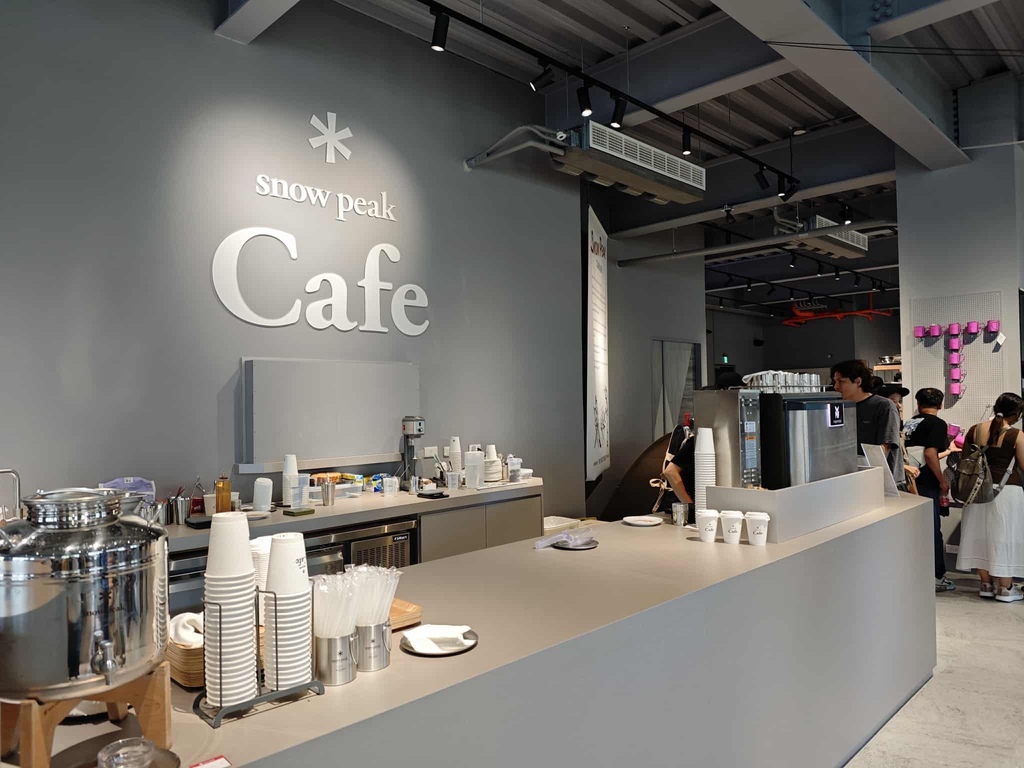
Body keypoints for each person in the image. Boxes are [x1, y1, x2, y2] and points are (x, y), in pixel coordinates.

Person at [956, 393, 1024, 603]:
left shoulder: (975, 430)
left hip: (976, 489)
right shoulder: (1017, 435)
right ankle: (1006, 587)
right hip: (1006, 490)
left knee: (978, 534)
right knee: (1004, 535)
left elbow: (965, 458)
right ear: (1017, 414)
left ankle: (985, 584)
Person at [904, 388, 954, 592]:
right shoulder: (937, 424)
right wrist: (942, 481)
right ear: (940, 404)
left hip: (908, 482)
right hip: (925, 483)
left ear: (918, 404)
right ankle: (936, 576)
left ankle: (915, 574)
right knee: (932, 530)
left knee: (914, 531)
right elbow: (930, 454)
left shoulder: (909, 423)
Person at [830, 360, 904, 485]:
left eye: (841, 381)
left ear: (858, 381)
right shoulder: (840, 407)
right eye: (834, 381)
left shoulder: (884, 406)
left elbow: (885, 446)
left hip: (881, 480)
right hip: (850, 477)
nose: (836, 387)